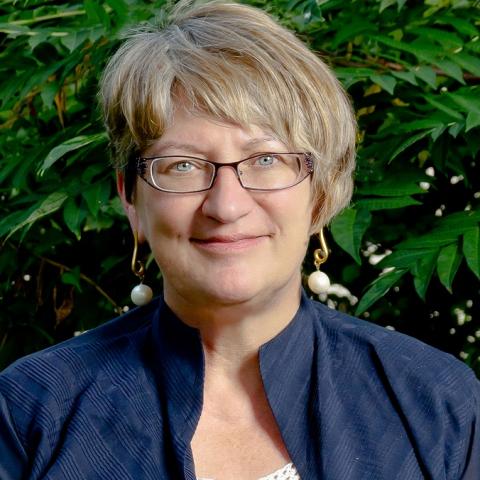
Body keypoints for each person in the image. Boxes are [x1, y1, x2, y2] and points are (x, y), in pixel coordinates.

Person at [0, 2, 479, 479]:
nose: (226, 206)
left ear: (320, 191)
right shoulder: (32, 412)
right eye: (182, 165)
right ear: (132, 199)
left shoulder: (438, 406)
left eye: (266, 160)